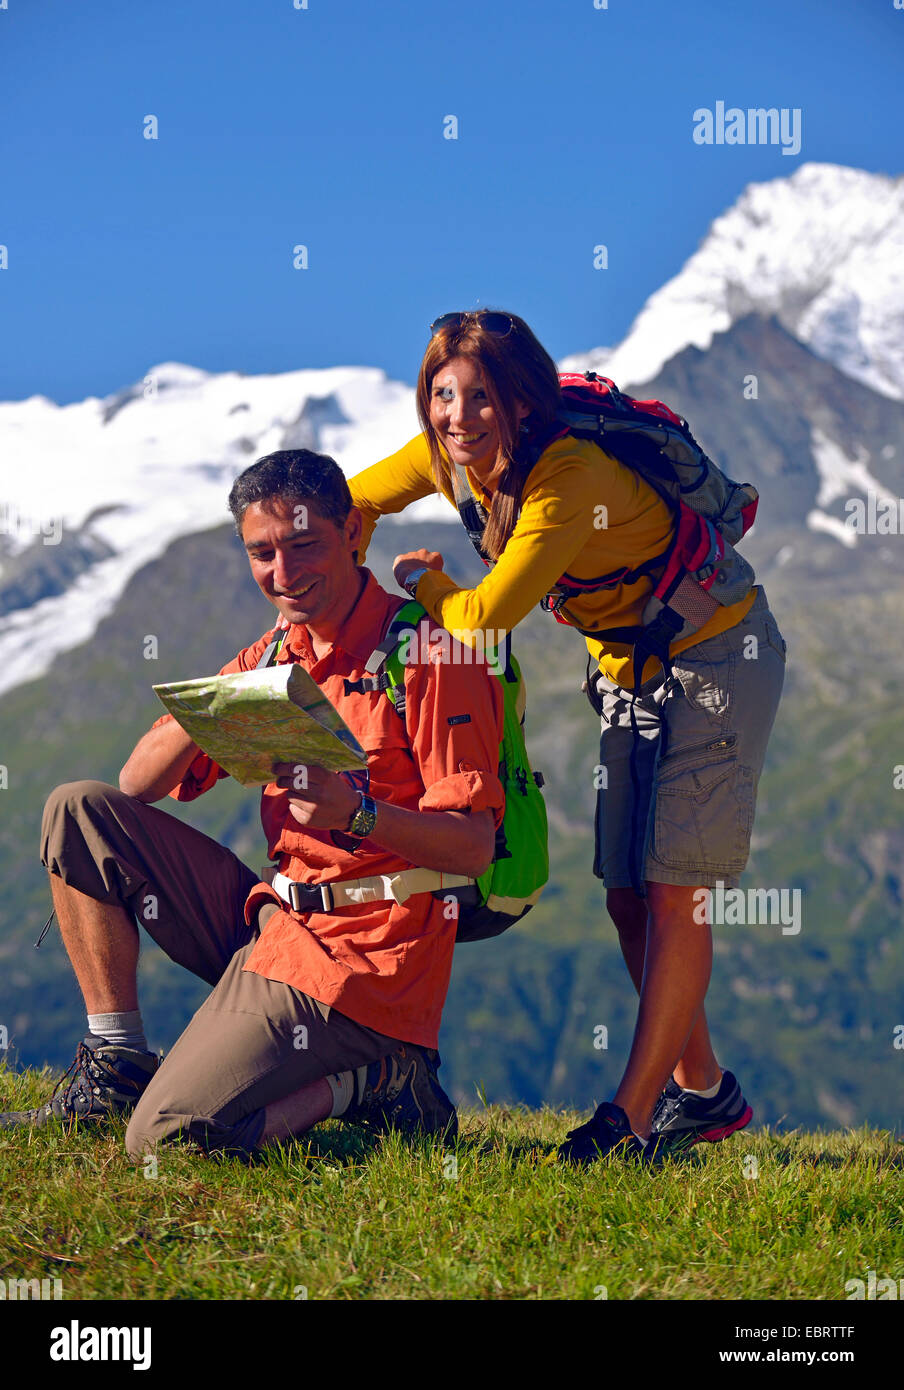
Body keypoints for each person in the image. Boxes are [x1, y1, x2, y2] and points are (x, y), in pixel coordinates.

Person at [348, 309, 787, 1166]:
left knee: (674, 893)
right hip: (631, 670)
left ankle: (626, 1123)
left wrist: (421, 582)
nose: (458, 415)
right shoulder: (451, 461)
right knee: (627, 896)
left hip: (718, 656)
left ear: (521, 401)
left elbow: (480, 619)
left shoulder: (569, 475)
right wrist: (346, 595)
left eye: (481, 396)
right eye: (443, 394)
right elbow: (355, 497)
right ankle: (705, 1095)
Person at [1, 449, 506, 1157]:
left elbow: (474, 847)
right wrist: (223, 699)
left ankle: (382, 1078)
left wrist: (355, 814)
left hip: (367, 966)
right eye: (261, 553)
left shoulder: (430, 657)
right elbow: (137, 783)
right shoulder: (270, 653)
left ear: (353, 534)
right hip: (278, 925)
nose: (283, 573)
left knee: (166, 1139)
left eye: (304, 546)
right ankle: (116, 1063)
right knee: (79, 811)